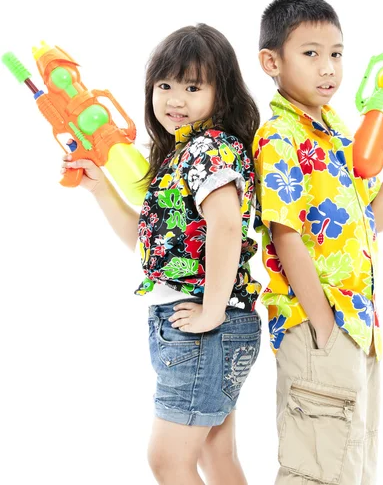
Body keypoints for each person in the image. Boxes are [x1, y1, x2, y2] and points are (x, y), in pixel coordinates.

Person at [253, 0, 383, 485]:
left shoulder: (338, 135)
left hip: (359, 328)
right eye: (311, 53)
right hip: (320, 325)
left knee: (352, 467)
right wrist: (323, 324)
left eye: (336, 53)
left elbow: (372, 219)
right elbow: (284, 232)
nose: (328, 68)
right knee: (313, 471)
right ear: (272, 61)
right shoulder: (279, 135)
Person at [61, 24, 262, 485]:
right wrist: (100, 189)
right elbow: (149, 243)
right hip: (209, 324)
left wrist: (211, 312)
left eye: (193, 87)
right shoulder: (182, 153)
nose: (175, 98)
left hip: (204, 328)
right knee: (216, 456)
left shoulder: (209, 149)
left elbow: (227, 225)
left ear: (222, 92)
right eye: (165, 85)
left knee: (168, 462)